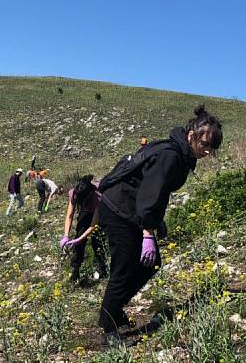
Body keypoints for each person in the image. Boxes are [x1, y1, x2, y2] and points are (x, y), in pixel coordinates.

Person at [97, 106, 223, 345]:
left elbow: (156, 193)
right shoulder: (172, 155)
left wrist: (156, 222)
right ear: (191, 136)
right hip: (119, 210)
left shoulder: (177, 152)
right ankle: (108, 331)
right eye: (204, 145)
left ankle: (113, 311)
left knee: (150, 264)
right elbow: (149, 195)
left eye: (211, 148)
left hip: (128, 209)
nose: (206, 152)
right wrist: (148, 231)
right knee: (124, 268)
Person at [60, 175, 108, 282]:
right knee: (79, 241)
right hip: (86, 212)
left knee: (98, 241)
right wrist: (66, 236)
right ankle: (75, 270)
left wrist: (79, 239)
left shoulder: (98, 196)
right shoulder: (73, 193)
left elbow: (93, 225)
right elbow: (70, 215)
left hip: (99, 212)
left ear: (89, 194)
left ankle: (103, 269)